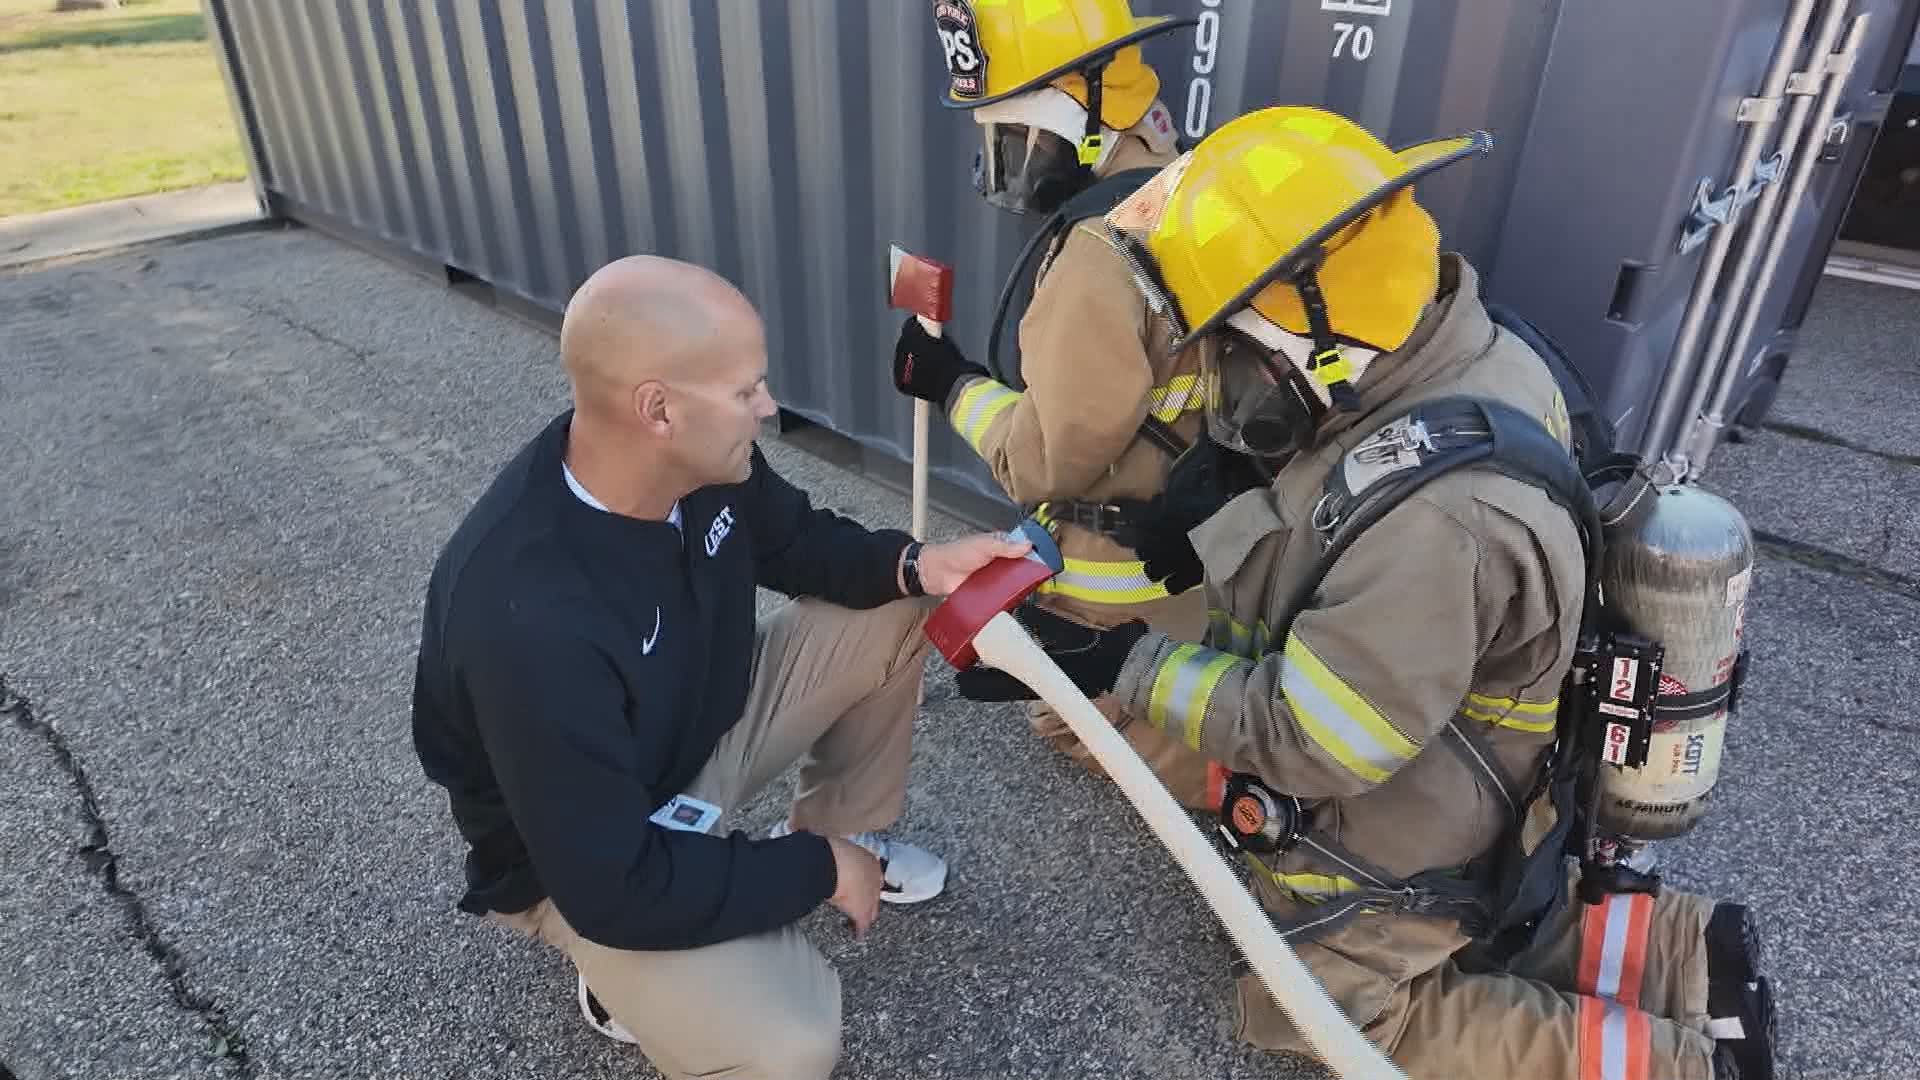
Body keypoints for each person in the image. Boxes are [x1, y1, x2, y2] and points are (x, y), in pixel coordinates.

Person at [952, 107, 1775, 1080]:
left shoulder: (1443, 524)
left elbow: (1316, 738)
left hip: (1431, 779)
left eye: (1234, 353)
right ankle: (1681, 955)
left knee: (1319, 1003)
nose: (1218, 379)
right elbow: (1333, 509)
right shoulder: (1456, 345)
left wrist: (1120, 661)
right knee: (1477, 907)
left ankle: (1673, 1067)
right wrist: (1199, 531)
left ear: (1311, 329)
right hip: (1460, 721)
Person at [409, 255, 1031, 1080]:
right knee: (788, 1047)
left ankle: (831, 827)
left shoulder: (700, 467)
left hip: (692, 733)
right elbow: (612, 879)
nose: (769, 408)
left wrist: (922, 562)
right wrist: (816, 874)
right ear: (658, 409)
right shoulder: (525, 613)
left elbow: (798, 542)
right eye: (746, 391)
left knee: (903, 602)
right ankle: (624, 973)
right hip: (579, 855)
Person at [894, 0, 1249, 809]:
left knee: (1069, 723)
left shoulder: (1098, 252)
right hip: (1213, 550)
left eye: (1018, 131)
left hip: (1125, 577)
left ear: (1092, 111)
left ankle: (1248, 786)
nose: (1009, 160)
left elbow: (1046, 458)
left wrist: (949, 383)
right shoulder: (1200, 184)